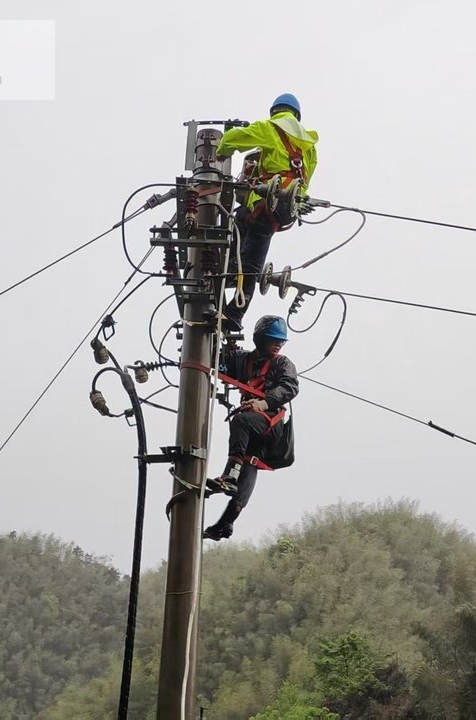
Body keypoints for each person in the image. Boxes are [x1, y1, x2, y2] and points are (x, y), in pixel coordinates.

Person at [215, 93, 319, 332]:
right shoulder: (310, 148)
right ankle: (232, 267)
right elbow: (306, 181)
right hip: (287, 206)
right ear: (297, 115)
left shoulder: (269, 128)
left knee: (252, 257)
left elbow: (233, 138)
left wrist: (222, 151)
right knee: (240, 221)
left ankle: (236, 311)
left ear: (276, 112)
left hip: (267, 201)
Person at [203, 315, 299, 541]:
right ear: (260, 339)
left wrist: (263, 403)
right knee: (250, 463)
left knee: (241, 422)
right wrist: (217, 339)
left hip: (269, 422)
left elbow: (289, 387)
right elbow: (220, 363)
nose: (277, 345)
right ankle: (225, 524)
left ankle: (229, 476)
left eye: (280, 342)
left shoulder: (282, 364)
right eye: (272, 340)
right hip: (254, 425)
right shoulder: (243, 360)